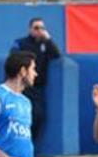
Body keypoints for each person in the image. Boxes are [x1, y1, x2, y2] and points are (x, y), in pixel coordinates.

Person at [9, 17, 61, 145]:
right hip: (22, 87)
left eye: (41, 28)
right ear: (30, 29)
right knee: (17, 115)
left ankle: (29, 142)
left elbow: (57, 54)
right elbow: (13, 56)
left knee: (38, 116)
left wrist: (48, 39)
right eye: (36, 28)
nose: (39, 31)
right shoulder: (21, 43)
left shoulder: (45, 44)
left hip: (38, 87)